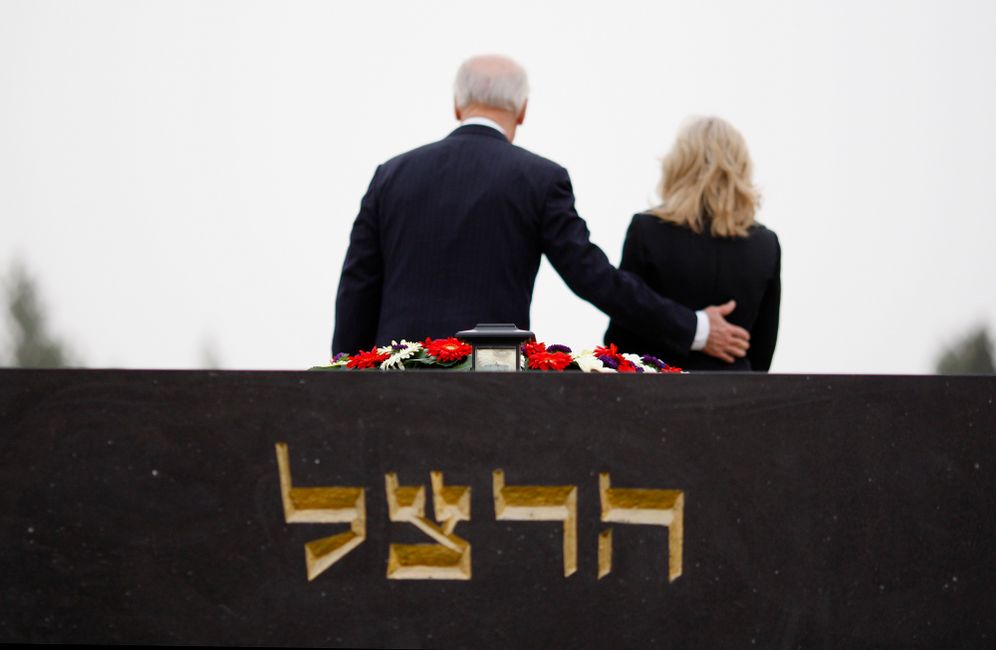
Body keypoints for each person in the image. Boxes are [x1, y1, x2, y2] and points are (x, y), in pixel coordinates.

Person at [332, 55, 750, 363]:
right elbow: (594, 277)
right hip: (489, 376)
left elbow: (358, 287)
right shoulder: (539, 179)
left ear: (457, 104)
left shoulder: (391, 175)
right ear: (523, 109)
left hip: (394, 376)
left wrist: (342, 373)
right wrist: (693, 327)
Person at [604, 117, 781, 371]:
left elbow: (622, 333)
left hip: (656, 394)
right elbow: (763, 349)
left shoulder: (647, 230)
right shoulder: (766, 244)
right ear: (741, 167)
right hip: (737, 396)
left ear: (680, 164)